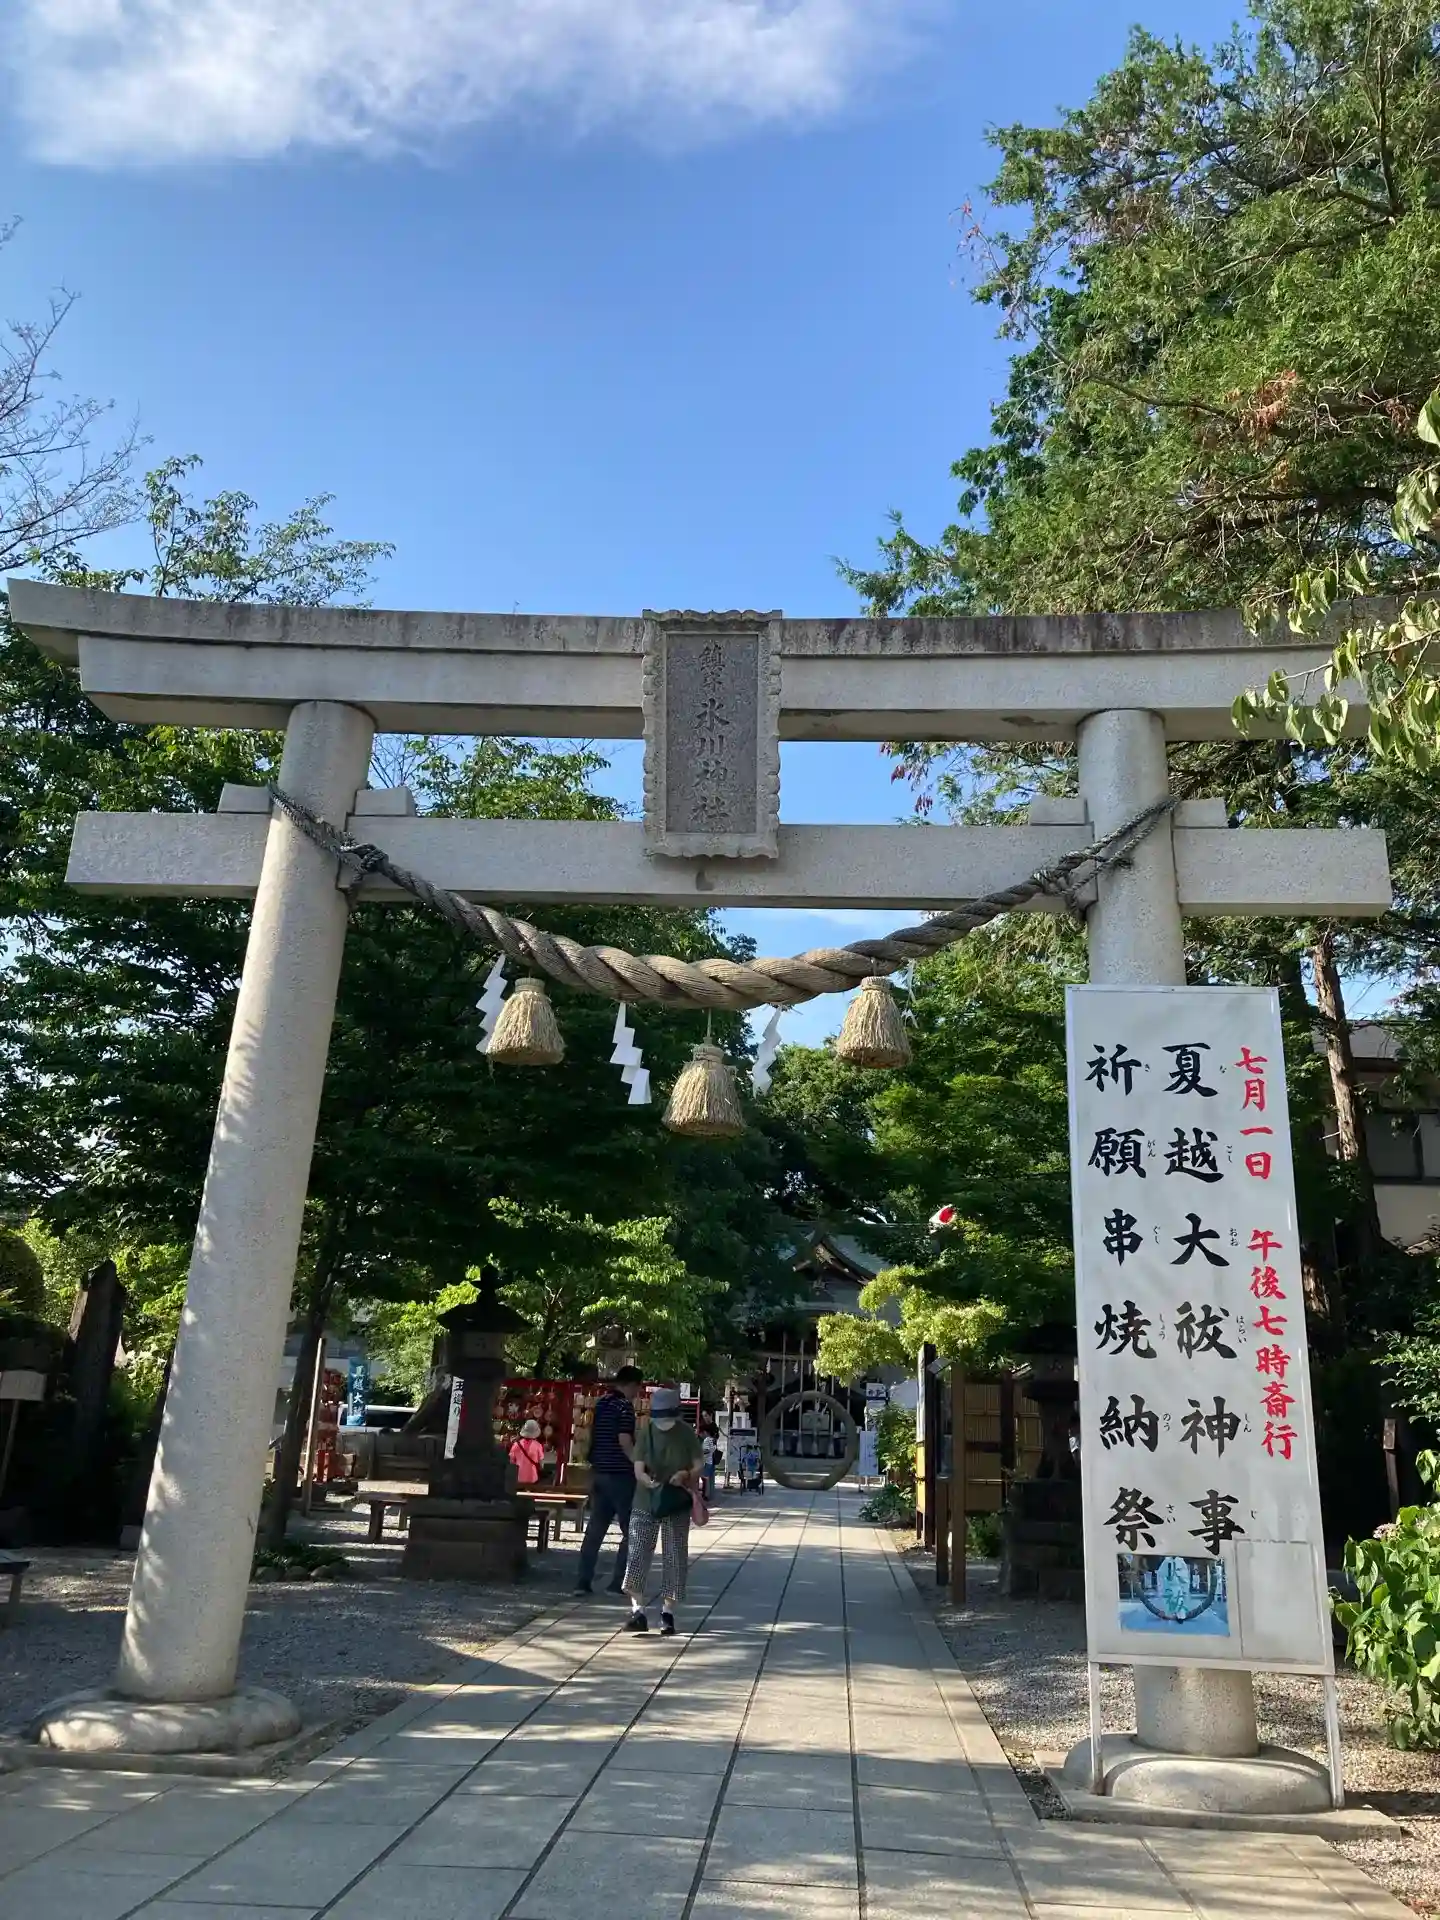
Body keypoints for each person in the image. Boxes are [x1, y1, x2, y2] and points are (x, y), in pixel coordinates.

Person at [622, 1385, 703, 1637]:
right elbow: (638, 1468)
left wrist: (685, 1474)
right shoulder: (647, 1431)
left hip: (675, 1500)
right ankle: (638, 1610)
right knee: (637, 1554)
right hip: (646, 1499)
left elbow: (699, 1464)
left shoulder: (686, 1433)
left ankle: (668, 1613)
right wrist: (646, 1480)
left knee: (675, 1556)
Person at [575, 1365, 643, 1596]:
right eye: (637, 1388)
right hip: (621, 1475)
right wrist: (638, 1464)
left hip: (599, 1472)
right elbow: (624, 1440)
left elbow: (593, 1435)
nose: (637, 1394)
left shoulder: (602, 1403)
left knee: (595, 1529)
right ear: (631, 1384)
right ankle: (617, 1583)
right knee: (630, 1530)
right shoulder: (624, 1407)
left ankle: (582, 1582)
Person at [509, 1418, 544, 1487]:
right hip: (532, 1478)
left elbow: (512, 1462)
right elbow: (541, 1464)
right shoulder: (538, 1445)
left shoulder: (516, 1445)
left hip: (518, 1478)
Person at [700, 1426, 717, 1502]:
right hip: (709, 1461)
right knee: (706, 1478)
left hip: (706, 1461)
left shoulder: (707, 1440)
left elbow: (707, 1450)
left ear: (705, 1432)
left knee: (705, 1479)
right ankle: (706, 1494)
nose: (700, 1435)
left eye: (700, 1433)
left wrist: (699, 1452)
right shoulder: (712, 1440)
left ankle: (705, 1495)